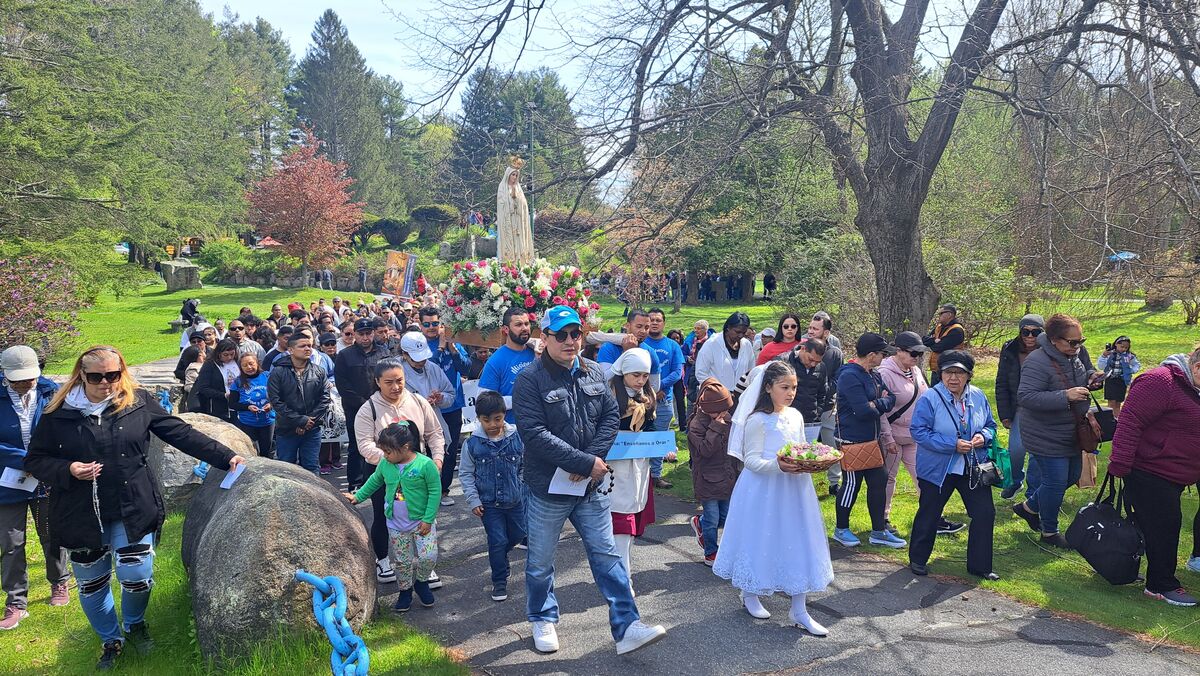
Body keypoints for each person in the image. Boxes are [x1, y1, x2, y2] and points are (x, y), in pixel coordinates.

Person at [24, 346, 244, 670]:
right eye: (96, 377)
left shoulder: (137, 401)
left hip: (132, 504)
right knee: (92, 582)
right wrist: (68, 469)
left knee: (137, 576)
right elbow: (35, 460)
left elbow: (178, 432)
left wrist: (226, 457)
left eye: (112, 375)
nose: (105, 383)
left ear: (121, 372)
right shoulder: (58, 413)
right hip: (81, 510)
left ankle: (135, 623)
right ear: (81, 375)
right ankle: (110, 640)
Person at [512, 305, 666, 655]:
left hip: (590, 486)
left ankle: (627, 627)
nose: (570, 341)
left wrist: (592, 462)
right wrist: (583, 461)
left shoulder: (596, 372)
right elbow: (534, 433)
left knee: (606, 554)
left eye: (575, 334)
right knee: (540, 561)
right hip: (548, 488)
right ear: (545, 337)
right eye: (561, 335)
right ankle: (542, 617)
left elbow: (610, 419)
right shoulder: (529, 379)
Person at [712, 362, 834, 634]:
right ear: (768, 388)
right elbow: (752, 460)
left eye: (794, 387)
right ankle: (750, 591)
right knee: (761, 537)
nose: (790, 393)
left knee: (798, 540)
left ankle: (799, 609)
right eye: (784, 387)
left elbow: (800, 446)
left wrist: (808, 461)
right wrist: (778, 466)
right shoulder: (758, 420)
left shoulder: (795, 416)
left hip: (794, 489)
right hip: (764, 489)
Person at [1107, 348, 1200, 606]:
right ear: (1197, 368)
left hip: (1175, 473)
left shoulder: (1193, 387)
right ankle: (1161, 585)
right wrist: (1120, 464)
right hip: (1150, 470)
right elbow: (1130, 421)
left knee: (1153, 526)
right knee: (1165, 528)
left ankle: (1128, 566)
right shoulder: (1160, 381)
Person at [907, 350, 999, 580]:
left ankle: (980, 566)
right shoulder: (929, 398)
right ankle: (918, 560)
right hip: (939, 468)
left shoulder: (978, 396)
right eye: (948, 372)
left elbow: (990, 425)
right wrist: (952, 444)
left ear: (969, 375)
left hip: (972, 466)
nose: (953, 378)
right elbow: (919, 431)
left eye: (959, 373)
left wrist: (983, 437)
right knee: (929, 513)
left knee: (985, 513)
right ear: (940, 374)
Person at [354, 358, 446, 587]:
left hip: (418, 469)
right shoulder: (369, 409)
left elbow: (435, 433)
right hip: (383, 471)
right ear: (377, 382)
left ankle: (425, 566)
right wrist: (390, 460)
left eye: (400, 381)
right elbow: (364, 444)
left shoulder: (417, 400)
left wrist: (437, 458)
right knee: (385, 515)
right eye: (389, 382)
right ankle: (383, 559)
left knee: (423, 513)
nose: (396, 387)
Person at [1011, 314, 1100, 549]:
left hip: (1071, 430)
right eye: (1072, 342)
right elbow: (1026, 397)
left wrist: (1092, 377)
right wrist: (1065, 396)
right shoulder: (1037, 361)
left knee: (1072, 476)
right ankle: (1049, 531)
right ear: (1053, 340)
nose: (1078, 346)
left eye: (1081, 340)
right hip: (1044, 433)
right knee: (1055, 481)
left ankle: (1028, 508)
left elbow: (1084, 371)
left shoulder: (1075, 354)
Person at [0, 346, 69, 631]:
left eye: (29, 377)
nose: (25, 383)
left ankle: (60, 582)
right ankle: (16, 602)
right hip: (6, 481)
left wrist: (44, 462)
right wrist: (24, 460)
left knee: (52, 533)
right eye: (18, 379)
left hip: (46, 477)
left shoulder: (51, 392)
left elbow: (63, 432)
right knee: (11, 542)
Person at [346, 422, 440, 612]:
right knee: (402, 561)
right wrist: (358, 497)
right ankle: (405, 590)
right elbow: (374, 481)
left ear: (405, 448)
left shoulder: (425, 464)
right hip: (396, 524)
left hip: (421, 522)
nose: (385, 456)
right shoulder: (385, 464)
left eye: (388, 452)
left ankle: (421, 582)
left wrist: (428, 519)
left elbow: (435, 491)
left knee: (428, 556)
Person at [878, 332, 965, 536]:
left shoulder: (915, 370)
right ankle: (882, 519)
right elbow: (881, 411)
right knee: (888, 479)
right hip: (892, 436)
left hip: (915, 436)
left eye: (920, 353)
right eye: (913, 353)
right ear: (898, 351)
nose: (916, 357)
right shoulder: (884, 373)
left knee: (925, 478)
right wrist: (888, 438)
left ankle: (934, 518)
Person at [832, 333, 905, 549]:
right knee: (852, 485)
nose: (884, 357)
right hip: (851, 439)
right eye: (882, 354)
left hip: (871, 440)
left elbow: (891, 398)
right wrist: (876, 403)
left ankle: (878, 531)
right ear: (871, 355)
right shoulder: (849, 376)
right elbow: (862, 411)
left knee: (878, 483)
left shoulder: (873, 374)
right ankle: (841, 529)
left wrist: (876, 403)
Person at [458, 391, 526, 602]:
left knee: (518, 535)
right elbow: (466, 474)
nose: (492, 424)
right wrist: (474, 500)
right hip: (489, 504)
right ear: (478, 419)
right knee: (496, 541)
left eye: (497, 419)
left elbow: (525, 466)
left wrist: (524, 488)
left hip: (516, 501)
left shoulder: (517, 437)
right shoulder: (472, 444)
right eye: (486, 420)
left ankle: (502, 554)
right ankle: (499, 580)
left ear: (504, 415)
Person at [606, 349, 658, 595]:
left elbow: (652, 430)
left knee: (631, 527)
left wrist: (663, 446)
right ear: (623, 373)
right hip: (614, 468)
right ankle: (623, 579)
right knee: (620, 526)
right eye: (636, 375)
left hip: (639, 467)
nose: (640, 380)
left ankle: (623, 572)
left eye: (645, 375)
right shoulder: (609, 397)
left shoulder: (646, 399)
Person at [418, 306, 471, 508]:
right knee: (429, 450)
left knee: (449, 450)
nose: (432, 327)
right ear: (420, 324)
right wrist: (440, 348)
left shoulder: (452, 342)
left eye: (436, 323)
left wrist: (453, 349)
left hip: (453, 405)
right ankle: (427, 490)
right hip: (429, 407)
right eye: (427, 324)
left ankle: (444, 490)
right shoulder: (420, 344)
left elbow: (466, 367)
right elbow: (429, 369)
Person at [686, 377, 739, 566]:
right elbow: (705, 451)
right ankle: (711, 551)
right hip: (707, 478)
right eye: (720, 410)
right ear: (707, 409)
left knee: (725, 516)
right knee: (713, 518)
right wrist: (717, 427)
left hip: (727, 475)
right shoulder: (696, 425)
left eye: (726, 409)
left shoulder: (727, 419)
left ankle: (700, 523)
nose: (724, 413)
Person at [335, 318, 392, 491]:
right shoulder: (345, 355)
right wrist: (365, 404)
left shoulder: (384, 353)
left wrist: (379, 402)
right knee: (357, 445)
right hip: (355, 408)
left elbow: (390, 379)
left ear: (373, 333)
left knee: (386, 443)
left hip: (383, 407)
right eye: (361, 334)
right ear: (355, 335)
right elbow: (342, 385)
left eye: (368, 333)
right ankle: (356, 482)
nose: (365, 337)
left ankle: (385, 478)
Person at [995, 315, 1045, 500]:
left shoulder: (1049, 350)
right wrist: (1005, 414)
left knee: (1036, 454)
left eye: (1035, 332)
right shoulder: (1010, 348)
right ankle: (1016, 480)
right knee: (1016, 450)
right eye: (1026, 332)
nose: (1030, 336)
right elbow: (1001, 382)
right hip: (1020, 407)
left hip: (1042, 408)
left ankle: (1032, 492)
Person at [267, 332, 330, 475]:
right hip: (287, 429)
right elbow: (276, 401)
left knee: (312, 467)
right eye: (302, 346)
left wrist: (308, 422)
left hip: (312, 429)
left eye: (309, 345)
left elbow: (325, 399)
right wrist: (300, 420)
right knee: (286, 469)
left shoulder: (318, 371)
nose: (307, 349)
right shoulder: (278, 372)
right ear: (290, 350)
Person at [637, 309, 684, 485]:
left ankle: (656, 475)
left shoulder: (672, 346)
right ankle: (641, 476)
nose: (655, 323)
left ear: (664, 323)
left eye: (658, 320)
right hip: (641, 398)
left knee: (659, 438)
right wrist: (650, 390)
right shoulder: (641, 344)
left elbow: (677, 373)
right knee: (640, 436)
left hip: (664, 400)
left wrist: (659, 387)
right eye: (652, 320)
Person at [478, 307, 538, 423]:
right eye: (518, 325)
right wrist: (518, 400)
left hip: (539, 425)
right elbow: (483, 401)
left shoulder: (535, 352)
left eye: (526, 324)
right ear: (506, 329)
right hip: (512, 430)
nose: (524, 328)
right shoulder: (496, 361)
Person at [807, 312, 844, 494]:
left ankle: (834, 482)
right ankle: (802, 481)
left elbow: (839, 377)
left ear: (826, 332)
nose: (811, 331)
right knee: (803, 444)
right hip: (806, 406)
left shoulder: (835, 354)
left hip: (828, 406)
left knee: (831, 444)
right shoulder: (803, 349)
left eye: (815, 328)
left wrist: (827, 392)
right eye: (810, 328)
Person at [226, 353, 274, 459]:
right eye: (245, 365)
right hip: (247, 423)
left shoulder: (267, 376)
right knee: (250, 453)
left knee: (266, 452)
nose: (249, 367)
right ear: (240, 368)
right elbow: (232, 404)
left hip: (267, 422)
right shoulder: (238, 382)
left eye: (251, 364)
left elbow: (279, 396)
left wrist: (271, 405)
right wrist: (247, 407)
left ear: (257, 363)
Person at [695, 312, 755, 393]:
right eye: (737, 332)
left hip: (741, 397)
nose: (740, 335)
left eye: (744, 333)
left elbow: (750, 371)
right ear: (728, 328)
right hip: (717, 397)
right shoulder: (712, 344)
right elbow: (700, 373)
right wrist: (715, 391)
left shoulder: (747, 345)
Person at [497, 156, 534, 265]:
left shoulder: (518, 188)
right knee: (510, 243)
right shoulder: (502, 187)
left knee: (519, 242)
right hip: (508, 220)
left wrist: (516, 199)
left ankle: (521, 262)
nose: (514, 177)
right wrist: (510, 203)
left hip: (518, 220)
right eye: (513, 174)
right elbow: (501, 203)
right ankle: (509, 263)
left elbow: (524, 204)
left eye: (516, 175)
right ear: (508, 175)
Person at [193, 338, 239, 422]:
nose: (229, 357)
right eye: (225, 355)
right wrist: (224, 395)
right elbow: (203, 388)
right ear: (219, 354)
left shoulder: (237, 361)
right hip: (219, 407)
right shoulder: (210, 365)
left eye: (232, 354)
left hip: (238, 406)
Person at [1098, 336, 1140, 420]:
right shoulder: (1109, 354)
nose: (1124, 349)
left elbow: (1137, 365)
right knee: (1111, 401)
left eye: (1126, 347)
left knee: (1118, 402)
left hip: (1122, 381)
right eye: (1122, 346)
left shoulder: (1129, 356)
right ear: (1116, 344)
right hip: (1110, 380)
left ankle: (1117, 418)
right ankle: (1110, 419)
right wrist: (1103, 356)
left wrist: (1131, 370)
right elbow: (1101, 366)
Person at [923, 304, 965, 386]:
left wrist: (934, 342)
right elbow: (924, 340)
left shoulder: (957, 330)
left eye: (941, 313)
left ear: (949, 315)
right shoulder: (939, 327)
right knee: (935, 395)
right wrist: (935, 340)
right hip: (936, 368)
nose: (939, 316)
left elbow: (939, 347)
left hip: (950, 369)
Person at [667, 329, 688, 424]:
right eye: (673, 338)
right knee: (671, 400)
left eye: (677, 338)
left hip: (679, 378)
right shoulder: (667, 347)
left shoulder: (681, 348)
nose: (676, 340)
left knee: (680, 400)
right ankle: (674, 418)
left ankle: (683, 423)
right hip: (668, 376)